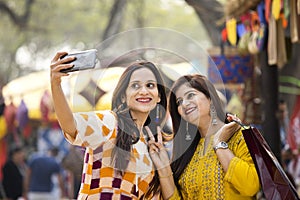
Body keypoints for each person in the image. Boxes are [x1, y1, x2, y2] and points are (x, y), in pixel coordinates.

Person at [50, 52, 168, 199]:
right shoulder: (110, 123)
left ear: (159, 96)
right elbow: (70, 126)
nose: (143, 91)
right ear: (124, 95)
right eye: (135, 85)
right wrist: (56, 84)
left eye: (150, 85)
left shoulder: (152, 146)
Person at [146, 74, 260, 199]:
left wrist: (219, 144)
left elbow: (251, 186)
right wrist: (164, 168)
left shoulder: (240, 136)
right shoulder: (188, 151)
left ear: (209, 97)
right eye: (179, 102)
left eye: (190, 95)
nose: (184, 104)